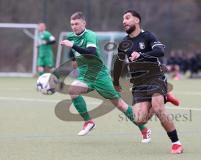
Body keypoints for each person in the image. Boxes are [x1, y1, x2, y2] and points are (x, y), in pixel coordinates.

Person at [60, 11, 151, 143]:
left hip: (99, 75)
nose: (74, 26)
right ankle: (88, 122)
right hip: (85, 75)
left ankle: (144, 129)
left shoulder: (90, 35)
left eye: (77, 24)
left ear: (83, 23)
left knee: (120, 105)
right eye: (72, 24)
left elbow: (90, 52)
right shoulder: (70, 36)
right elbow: (75, 53)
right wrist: (74, 60)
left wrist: (73, 45)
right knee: (73, 90)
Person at [113, 10, 183, 154]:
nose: (124, 21)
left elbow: (160, 52)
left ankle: (176, 143)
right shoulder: (124, 43)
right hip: (138, 83)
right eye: (123, 19)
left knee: (158, 109)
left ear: (137, 20)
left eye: (127, 18)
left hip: (154, 77)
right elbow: (119, 63)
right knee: (139, 120)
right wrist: (115, 81)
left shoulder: (148, 36)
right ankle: (164, 96)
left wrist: (141, 54)